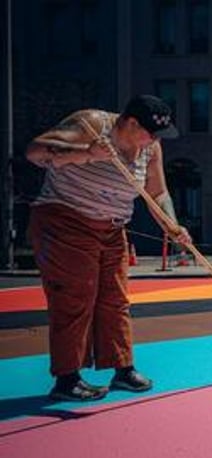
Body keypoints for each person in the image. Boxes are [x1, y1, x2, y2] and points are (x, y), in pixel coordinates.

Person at [25, 94, 191, 401]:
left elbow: (157, 191)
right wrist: (85, 153)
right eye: (149, 132)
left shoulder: (150, 147)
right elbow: (34, 151)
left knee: (116, 298)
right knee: (75, 297)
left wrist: (172, 225)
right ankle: (67, 378)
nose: (153, 140)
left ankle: (122, 368)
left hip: (112, 226)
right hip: (65, 219)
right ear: (129, 122)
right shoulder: (90, 125)